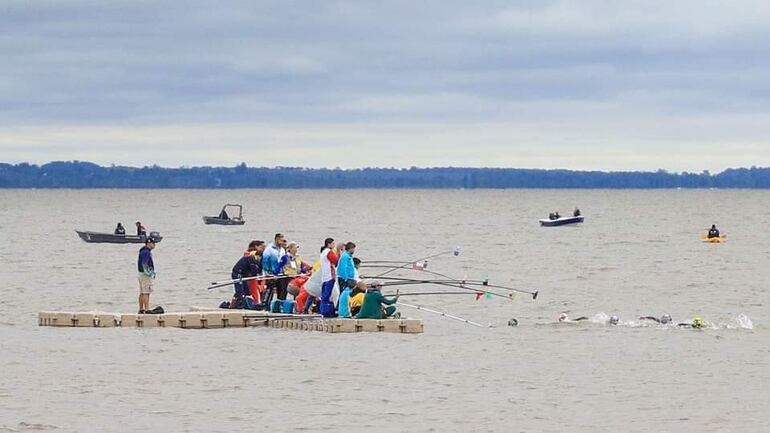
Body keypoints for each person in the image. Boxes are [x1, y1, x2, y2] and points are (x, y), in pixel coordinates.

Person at [231, 240, 265, 308]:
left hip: (245, 275)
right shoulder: (251, 256)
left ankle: (246, 304)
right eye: (262, 247)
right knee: (240, 291)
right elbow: (254, 270)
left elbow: (258, 269)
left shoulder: (260, 257)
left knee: (247, 291)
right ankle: (234, 305)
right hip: (238, 273)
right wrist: (256, 275)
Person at [261, 233, 287, 305]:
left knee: (281, 290)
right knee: (270, 290)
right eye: (281, 240)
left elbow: (283, 261)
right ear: (276, 239)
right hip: (271, 273)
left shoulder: (282, 249)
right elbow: (265, 261)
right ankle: (266, 304)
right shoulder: (269, 248)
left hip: (280, 273)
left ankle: (280, 305)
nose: (282, 242)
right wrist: (268, 272)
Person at [137, 237, 157, 314]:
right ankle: (147, 309)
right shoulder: (146, 252)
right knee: (146, 292)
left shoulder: (143, 251)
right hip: (145, 275)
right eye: (153, 243)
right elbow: (144, 263)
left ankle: (141, 309)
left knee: (142, 292)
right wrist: (149, 272)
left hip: (140, 274)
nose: (154, 245)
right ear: (148, 243)